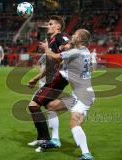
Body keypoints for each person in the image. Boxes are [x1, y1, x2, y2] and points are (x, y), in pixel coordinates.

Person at [39, 29, 95, 160]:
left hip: (83, 96)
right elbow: (72, 47)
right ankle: (55, 140)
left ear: (80, 38)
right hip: (79, 93)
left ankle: (87, 155)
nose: (73, 35)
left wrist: (47, 48)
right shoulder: (85, 50)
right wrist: (66, 45)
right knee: (51, 106)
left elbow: (56, 57)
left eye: (75, 34)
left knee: (74, 124)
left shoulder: (75, 52)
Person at [27, 16, 69, 151]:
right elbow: (50, 65)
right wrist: (36, 78)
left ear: (58, 27)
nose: (48, 26)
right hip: (53, 77)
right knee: (49, 106)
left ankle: (45, 138)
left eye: (50, 24)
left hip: (58, 78)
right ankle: (46, 138)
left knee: (33, 105)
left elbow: (68, 47)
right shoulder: (51, 41)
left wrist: (62, 58)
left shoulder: (59, 37)